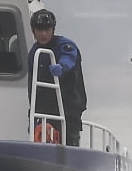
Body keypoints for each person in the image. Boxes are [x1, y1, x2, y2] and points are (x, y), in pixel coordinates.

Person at [26, 9, 87, 147]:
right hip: (43, 110)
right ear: (33, 31)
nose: (43, 34)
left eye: (47, 29)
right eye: (39, 29)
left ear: (53, 29)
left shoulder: (65, 45)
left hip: (68, 110)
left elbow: (69, 57)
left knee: (70, 141)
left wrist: (62, 67)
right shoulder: (34, 52)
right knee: (40, 141)